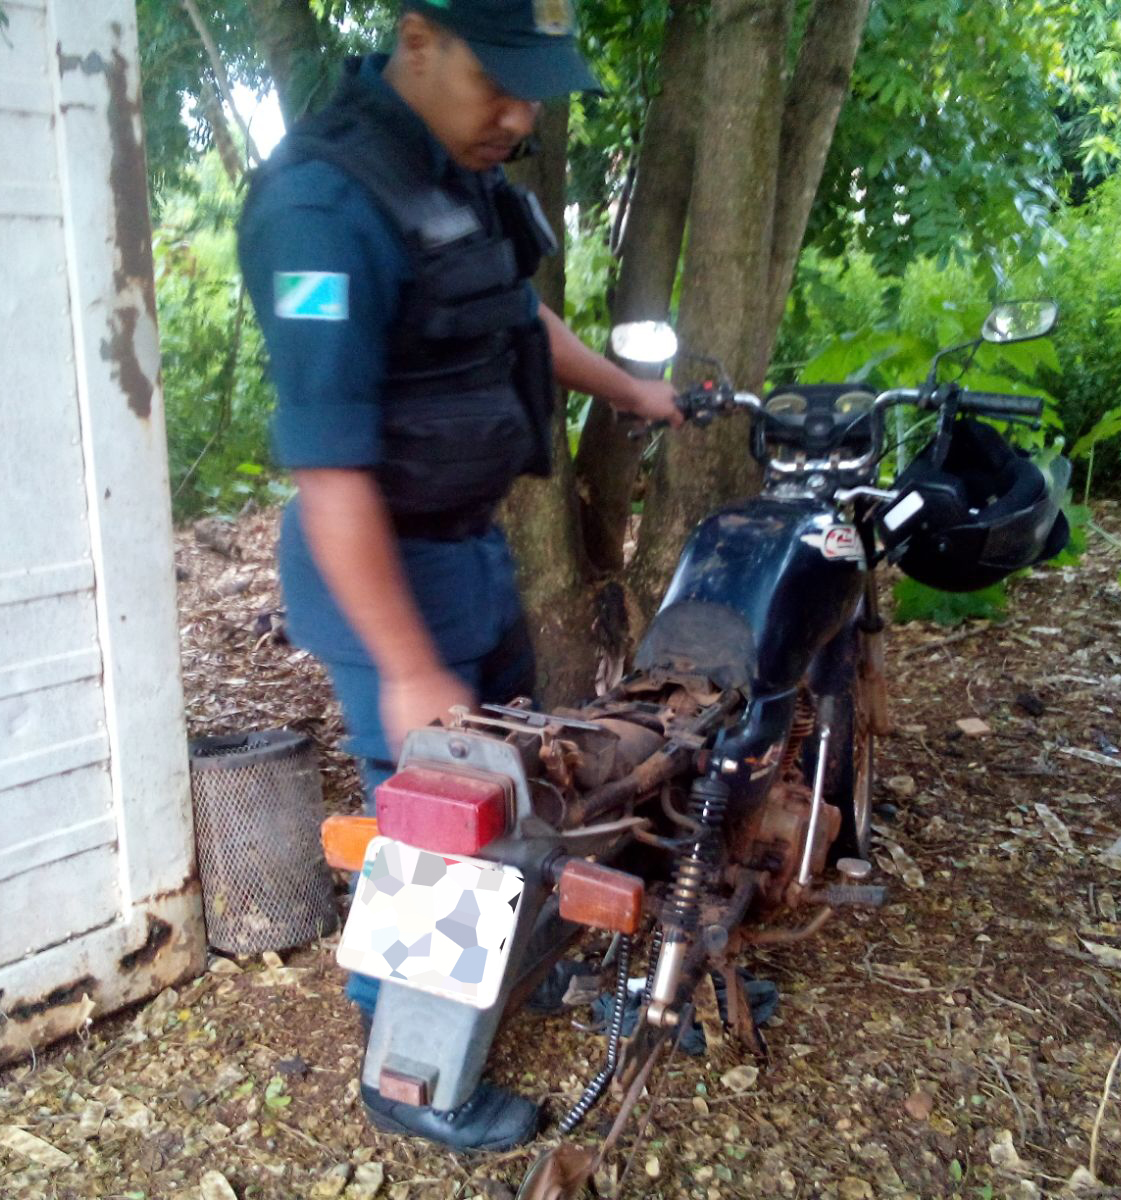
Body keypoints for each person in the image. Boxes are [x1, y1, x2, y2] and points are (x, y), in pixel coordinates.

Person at [238, 0, 681, 1152]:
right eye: (502, 81)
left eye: (537, 90)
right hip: (386, 570)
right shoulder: (324, 203)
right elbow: (331, 473)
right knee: (434, 828)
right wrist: (404, 662)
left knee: (521, 790)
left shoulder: (449, 168)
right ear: (418, 37)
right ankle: (407, 1072)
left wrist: (635, 393)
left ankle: (495, 977)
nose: (521, 116)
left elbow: (517, 319)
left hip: (468, 552)